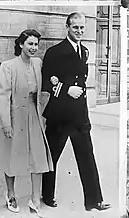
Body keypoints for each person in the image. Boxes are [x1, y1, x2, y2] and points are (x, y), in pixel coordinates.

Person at [41, 12, 111, 211]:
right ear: (67, 27)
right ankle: (47, 195)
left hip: (79, 115)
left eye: (82, 27)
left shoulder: (85, 51)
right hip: (60, 116)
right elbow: (47, 81)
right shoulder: (55, 52)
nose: (79, 31)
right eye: (75, 27)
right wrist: (65, 89)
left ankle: (94, 201)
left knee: (87, 157)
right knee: (52, 156)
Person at [0, 29, 53, 217]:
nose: (34, 48)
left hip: (34, 115)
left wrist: (41, 114)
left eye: (36, 44)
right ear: (21, 45)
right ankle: (11, 194)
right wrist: (6, 124)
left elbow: (42, 90)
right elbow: (3, 96)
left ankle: (35, 200)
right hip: (15, 115)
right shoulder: (8, 66)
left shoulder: (38, 63)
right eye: (30, 44)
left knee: (38, 156)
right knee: (13, 156)